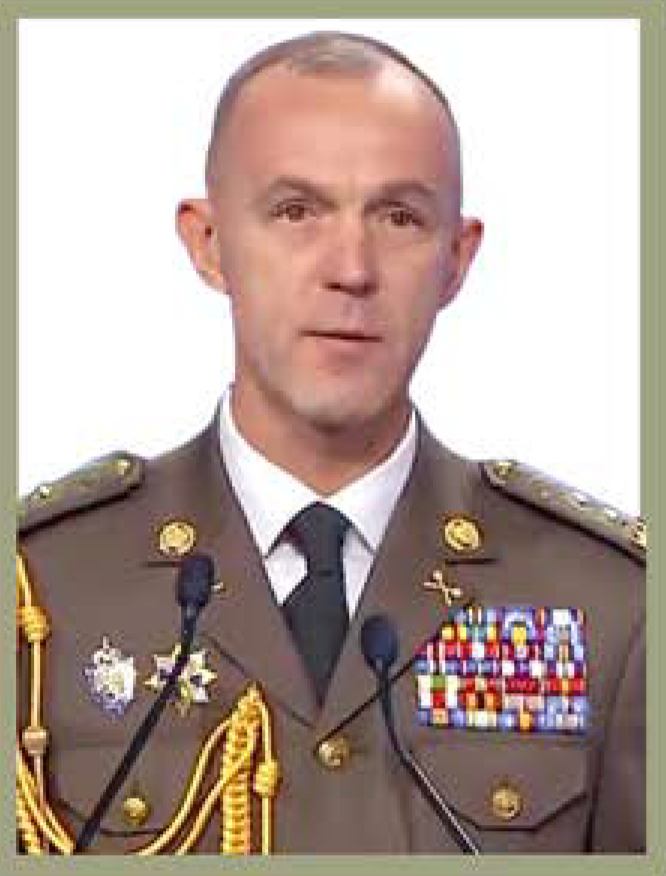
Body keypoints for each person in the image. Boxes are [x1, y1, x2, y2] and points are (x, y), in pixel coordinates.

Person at [16, 31, 645, 855]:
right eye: (296, 211)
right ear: (209, 244)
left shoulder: (613, 605)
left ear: (457, 260)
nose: (351, 268)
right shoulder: (42, 591)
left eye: (399, 217)